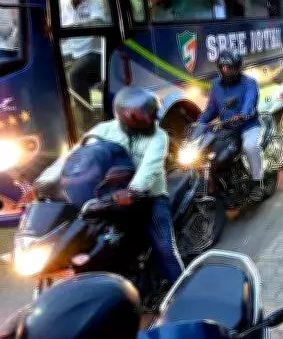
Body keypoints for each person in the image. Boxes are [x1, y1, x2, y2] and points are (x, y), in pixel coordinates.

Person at [34, 87, 183, 285]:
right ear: (126, 117)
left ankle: (182, 292)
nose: (151, 122)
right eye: (144, 117)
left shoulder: (158, 137)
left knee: (165, 248)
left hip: (149, 198)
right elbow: (73, 157)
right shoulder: (102, 131)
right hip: (105, 198)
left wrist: (133, 191)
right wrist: (44, 182)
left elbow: (149, 168)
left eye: (152, 115)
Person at [198, 50, 267, 201]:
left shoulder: (249, 83)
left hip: (248, 126)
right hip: (227, 128)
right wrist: (200, 123)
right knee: (208, 151)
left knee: (250, 146)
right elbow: (211, 109)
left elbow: (250, 102)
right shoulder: (215, 84)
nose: (225, 70)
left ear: (238, 68)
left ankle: (257, 183)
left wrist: (243, 114)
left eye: (229, 67)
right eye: (222, 67)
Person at [59, 0, 108, 102]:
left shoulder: (94, 3)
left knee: (75, 74)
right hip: (70, 52)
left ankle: (84, 116)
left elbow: (99, 22)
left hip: (92, 52)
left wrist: (75, 26)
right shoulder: (61, 4)